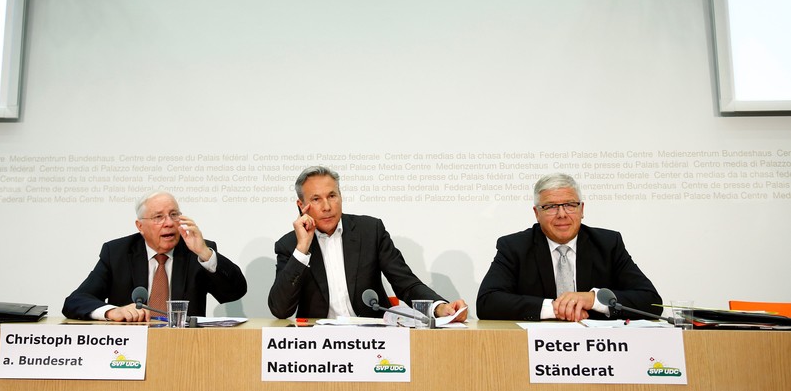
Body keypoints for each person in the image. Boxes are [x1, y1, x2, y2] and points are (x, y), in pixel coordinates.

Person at [268, 166, 467, 322]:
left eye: (332, 196)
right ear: (301, 206)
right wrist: (302, 249)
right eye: (316, 199)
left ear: (341, 196)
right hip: (319, 344)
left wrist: (440, 308)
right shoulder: (290, 246)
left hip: (372, 338)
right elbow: (280, 309)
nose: (327, 207)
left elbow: (405, 282)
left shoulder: (370, 231)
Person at [476, 173, 661, 322]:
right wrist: (555, 308)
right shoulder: (515, 247)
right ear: (536, 213)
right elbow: (487, 302)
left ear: (582, 210)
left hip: (599, 347)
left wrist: (593, 300)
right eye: (550, 207)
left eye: (570, 205)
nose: (562, 214)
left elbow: (651, 302)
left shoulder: (608, 243)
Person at [63, 191, 247, 321]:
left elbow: (235, 292)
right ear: (140, 226)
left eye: (174, 215)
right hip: (129, 347)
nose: (168, 223)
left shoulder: (195, 252)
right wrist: (112, 312)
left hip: (185, 347)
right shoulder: (117, 253)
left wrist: (204, 253)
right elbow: (76, 301)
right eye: (158, 217)